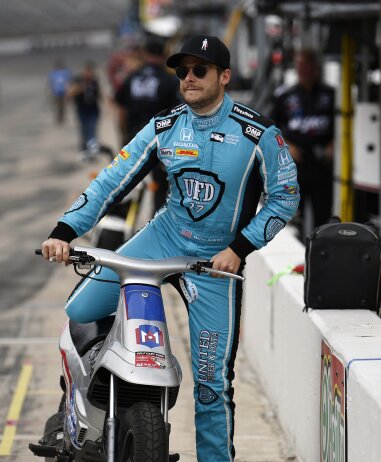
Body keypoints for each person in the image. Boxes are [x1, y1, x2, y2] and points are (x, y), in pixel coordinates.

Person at [40, 34, 299, 461]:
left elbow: (285, 197)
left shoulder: (258, 134)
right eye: (183, 71)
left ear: (225, 76)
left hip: (215, 263)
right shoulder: (164, 125)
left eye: (200, 70)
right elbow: (111, 181)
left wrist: (240, 247)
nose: (189, 78)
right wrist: (65, 230)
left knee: (213, 383)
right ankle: (81, 408)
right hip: (162, 238)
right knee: (80, 311)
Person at [271, 49, 335, 240]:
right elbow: (271, 130)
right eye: (300, 65)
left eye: (308, 65)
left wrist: (334, 144)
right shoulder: (284, 95)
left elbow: (342, 126)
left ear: (316, 68)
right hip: (294, 168)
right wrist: (286, 146)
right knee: (293, 218)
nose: (304, 69)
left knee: (323, 218)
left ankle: (319, 257)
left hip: (322, 166)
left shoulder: (330, 94)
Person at [115, 38, 180, 213]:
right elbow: (177, 115)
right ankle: (155, 226)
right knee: (160, 187)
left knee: (127, 186)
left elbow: (121, 108)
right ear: (164, 56)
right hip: (159, 142)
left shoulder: (131, 78)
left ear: (144, 54)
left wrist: (123, 136)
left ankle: (121, 226)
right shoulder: (169, 81)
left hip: (134, 140)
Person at [69, 61, 102, 154]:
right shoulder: (78, 80)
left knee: (92, 128)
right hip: (82, 109)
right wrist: (80, 87)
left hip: (93, 109)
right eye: (87, 71)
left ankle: (92, 148)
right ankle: (84, 148)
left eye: (91, 72)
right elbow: (70, 93)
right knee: (84, 129)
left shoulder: (94, 81)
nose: (89, 74)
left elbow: (99, 93)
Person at [47, 59, 72, 125]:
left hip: (64, 91)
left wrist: (69, 91)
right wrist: (51, 91)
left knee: (63, 105)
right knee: (58, 105)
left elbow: (68, 82)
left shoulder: (65, 72)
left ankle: (61, 117)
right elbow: (51, 82)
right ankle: (59, 117)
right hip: (56, 91)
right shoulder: (53, 73)